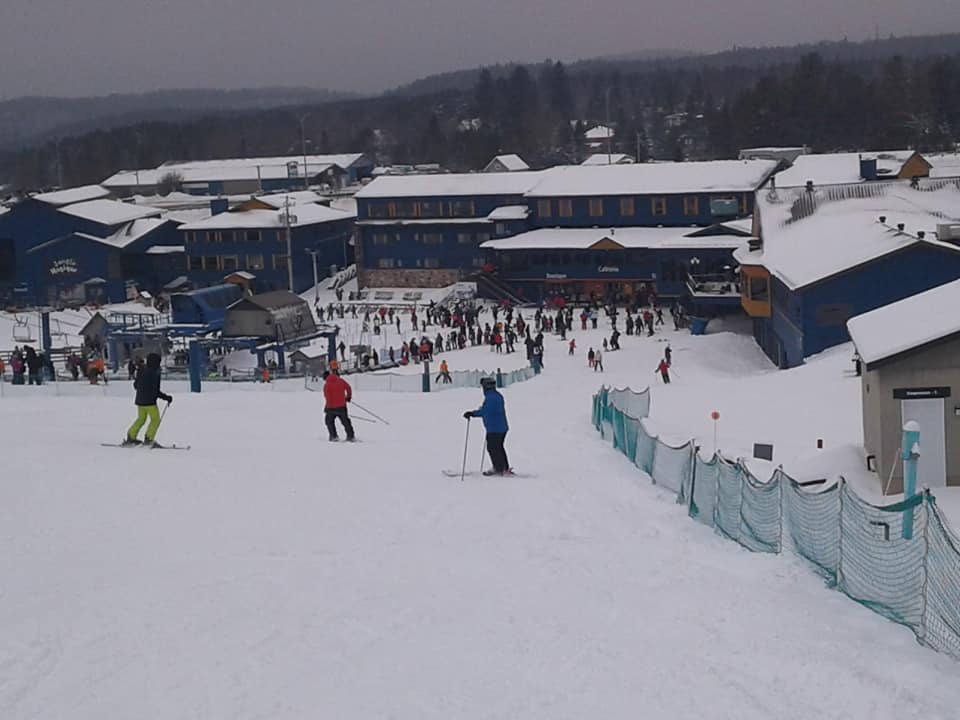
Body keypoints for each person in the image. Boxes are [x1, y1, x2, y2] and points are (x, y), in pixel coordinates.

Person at [463, 377, 511, 476]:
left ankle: (499, 469)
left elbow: (485, 411)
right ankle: (504, 468)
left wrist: (472, 413)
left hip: (495, 428)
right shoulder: (496, 395)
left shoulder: (491, 398)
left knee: (493, 448)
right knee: (498, 447)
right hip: (500, 427)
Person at [124, 352, 172, 446]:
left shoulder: (141, 370)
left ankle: (131, 436)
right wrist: (166, 397)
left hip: (140, 400)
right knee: (155, 419)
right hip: (150, 402)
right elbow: (155, 391)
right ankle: (149, 438)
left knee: (141, 419)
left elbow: (135, 385)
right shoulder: (155, 373)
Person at [323, 370, 355, 442]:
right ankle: (350, 436)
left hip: (331, 408)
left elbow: (327, 397)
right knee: (345, 422)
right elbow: (348, 387)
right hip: (342, 406)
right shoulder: (340, 381)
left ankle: (333, 436)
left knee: (329, 422)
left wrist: (326, 408)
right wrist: (348, 397)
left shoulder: (326, 385)